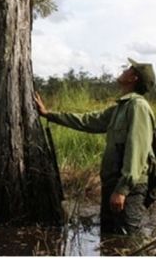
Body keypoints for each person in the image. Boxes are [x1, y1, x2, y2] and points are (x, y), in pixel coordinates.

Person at [35, 58, 155, 236]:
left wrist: (122, 190)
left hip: (129, 187)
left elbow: (136, 150)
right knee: (109, 238)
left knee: (128, 240)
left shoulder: (138, 107)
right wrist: (49, 114)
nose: (125, 69)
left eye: (130, 68)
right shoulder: (121, 107)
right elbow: (88, 121)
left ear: (134, 78)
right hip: (112, 184)